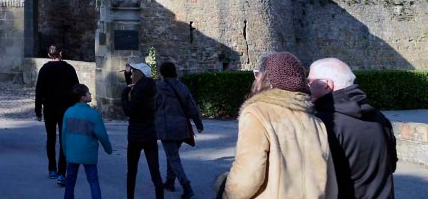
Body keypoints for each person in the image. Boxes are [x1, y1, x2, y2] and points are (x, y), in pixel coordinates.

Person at [217, 52, 337, 199]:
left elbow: (248, 174)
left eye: (257, 74)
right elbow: (329, 179)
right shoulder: (316, 122)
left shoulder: (257, 114)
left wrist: (227, 194)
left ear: (268, 80)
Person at [309, 58, 397, 199]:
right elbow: (391, 165)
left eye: (311, 81)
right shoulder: (379, 118)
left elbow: (316, 180)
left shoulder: (323, 123)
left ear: (327, 85)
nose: (308, 86)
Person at [155, 61, 203, 198]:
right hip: (182, 128)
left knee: (173, 157)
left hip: (166, 128)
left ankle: (186, 186)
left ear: (162, 73)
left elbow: (152, 107)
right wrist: (199, 124)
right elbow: (192, 108)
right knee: (173, 155)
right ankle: (170, 181)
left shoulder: (158, 88)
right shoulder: (182, 87)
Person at [35, 44, 80, 185]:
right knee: (63, 139)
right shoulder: (69, 69)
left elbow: (39, 91)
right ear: (61, 53)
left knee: (50, 138)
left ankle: (52, 169)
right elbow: (76, 89)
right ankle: (62, 171)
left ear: (49, 55)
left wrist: (37, 110)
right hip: (66, 108)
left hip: (49, 108)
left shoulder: (44, 69)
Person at [61, 84, 112, 199]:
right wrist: (108, 149)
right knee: (93, 182)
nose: (91, 94)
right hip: (88, 153)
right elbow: (102, 135)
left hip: (72, 153)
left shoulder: (68, 112)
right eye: (88, 93)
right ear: (82, 97)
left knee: (70, 182)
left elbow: (63, 134)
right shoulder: (93, 114)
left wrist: (65, 151)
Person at [122, 61, 163, 199]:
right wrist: (128, 75)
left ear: (139, 74)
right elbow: (134, 84)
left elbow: (130, 111)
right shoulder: (151, 87)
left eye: (134, 71)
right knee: (155, 171)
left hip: (136, 135)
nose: (132, 73)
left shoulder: (139, 90)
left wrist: (124, 95)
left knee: (132, 171)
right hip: (150, 133)